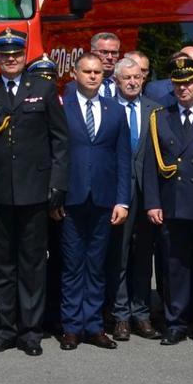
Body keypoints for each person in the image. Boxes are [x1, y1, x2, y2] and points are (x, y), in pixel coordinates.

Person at [0, 29, 67, 356]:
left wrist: (56, 185)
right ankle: (5, 328)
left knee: (32, 265)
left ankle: (30, 331)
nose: (10, 59)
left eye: (15, 54)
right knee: (2, 267)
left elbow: (60, 141)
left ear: (23, 56)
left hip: (35, 192)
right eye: (4, 55)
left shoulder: (42, 88)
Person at [54, 53, 132, 350]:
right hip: (71, 198)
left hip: (103, 198)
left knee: (97, 266)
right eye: (86, 71)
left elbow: (123, 158)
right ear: (75, 73)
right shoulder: (64, 108)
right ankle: (72, 327)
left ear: (104, 76)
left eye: (97, 72)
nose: (92, 76)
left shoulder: (114, 110)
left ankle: (95, 326)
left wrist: (122, 200)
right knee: (73, 265)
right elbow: (56, 155)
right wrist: (55, 196)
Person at [141, 57, 193, 346]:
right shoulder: (161, 116)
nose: (183, 88)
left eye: (188, 82)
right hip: (171, 203)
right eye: (177, 83)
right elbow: (151, 164)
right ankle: (175, 322)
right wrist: (152, 202)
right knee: (174, 266)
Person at [105, 55, 160, 341]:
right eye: (127, 77)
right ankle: (120, 315)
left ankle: (142, 313)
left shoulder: (155, 110)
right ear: (116, 81)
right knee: (120, 256)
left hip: (148, 194)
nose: (133, 82)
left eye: (137, 77)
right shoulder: (109, 108)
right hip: (118, 194)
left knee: (143, 257)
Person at [90, 32, 122, 98]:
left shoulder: (125, 83)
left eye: (114, 53)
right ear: (92, 53)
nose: (110, 57)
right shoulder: (80, 85)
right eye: (104, 52)